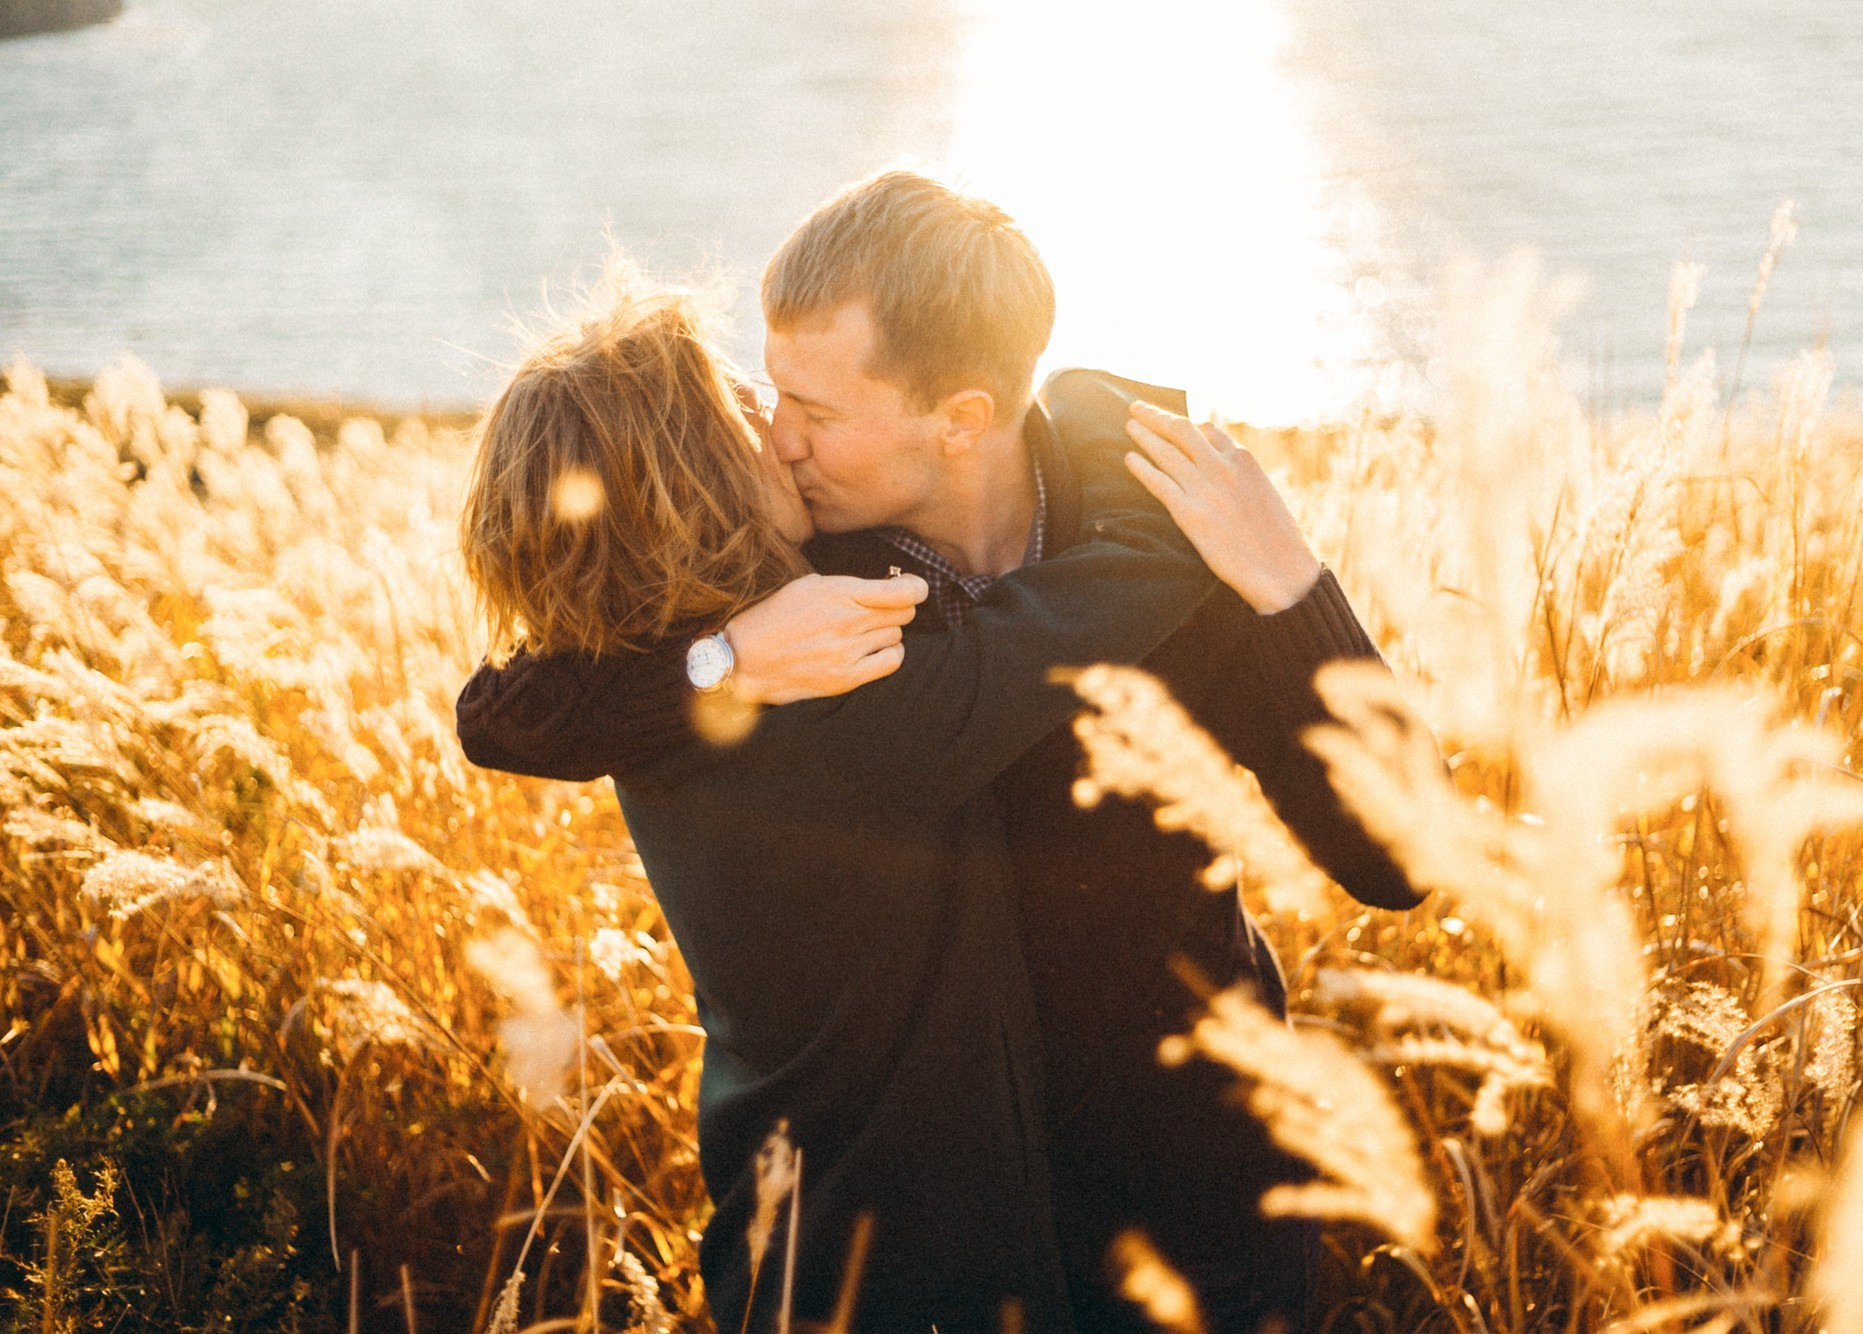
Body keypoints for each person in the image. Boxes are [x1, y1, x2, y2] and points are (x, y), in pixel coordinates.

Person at [459, 172, 1425, 1333]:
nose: (777, 434)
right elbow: (502, 709)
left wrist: (1293, 588)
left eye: (812, 406)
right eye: (769, 393)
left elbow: (1400, 854)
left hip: (1194, 1225)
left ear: (959, 416)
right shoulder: (808, 603)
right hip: (930, 1263)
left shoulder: (1170, 523)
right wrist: (720, 659)